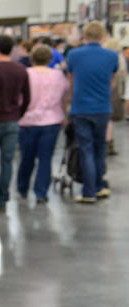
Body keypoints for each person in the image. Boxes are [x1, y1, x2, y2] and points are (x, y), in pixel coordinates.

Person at [66, 21, 119, 203]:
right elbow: (112, 82)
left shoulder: (73, 55)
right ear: (103, 37)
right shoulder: (112, 56)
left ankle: (89, 192)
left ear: (84, 37)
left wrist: (69, 104)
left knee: (86, 149)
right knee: (100, 148)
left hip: (81, 108)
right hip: (102, 108)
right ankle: (99, 186)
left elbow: (71, 82)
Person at [0, 34, 30, 212]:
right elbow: (27, 97)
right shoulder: (21, 70)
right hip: (11, 121)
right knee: (7, 161)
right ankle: (2, 198)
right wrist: (18, 114)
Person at [16, 44, 69, 203]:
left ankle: (23, 188)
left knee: (27, 157)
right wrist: (65, 116)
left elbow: (18, 97)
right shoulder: (58, 76)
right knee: (46, 158)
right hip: (51, 120)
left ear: (32, 58)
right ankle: (41, 192)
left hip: (27, 121)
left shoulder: (25, 74)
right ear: (50, 59)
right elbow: (65, 96)